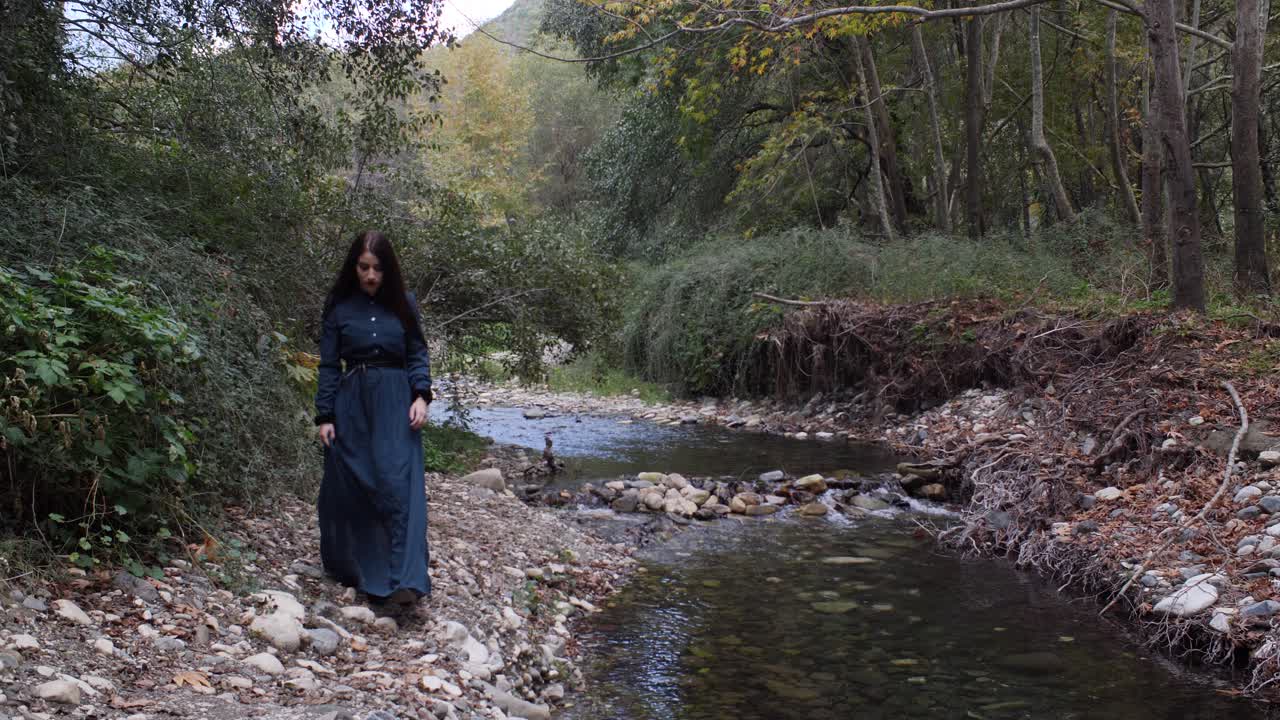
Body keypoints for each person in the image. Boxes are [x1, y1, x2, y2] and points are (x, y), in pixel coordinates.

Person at [314, 230, 432, 606]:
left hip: (397, 404)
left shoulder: (404, 304)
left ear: (388, 270)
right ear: (354, 267)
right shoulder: (338, 306)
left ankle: (404, 580)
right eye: (364, 267)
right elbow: (330, 365)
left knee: (399, 486)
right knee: (357, 483)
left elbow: (417, 354)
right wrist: (325, 415)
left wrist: (421, 395)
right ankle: (360, 569)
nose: (370, 276)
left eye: (378, 269)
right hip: (353, 405)